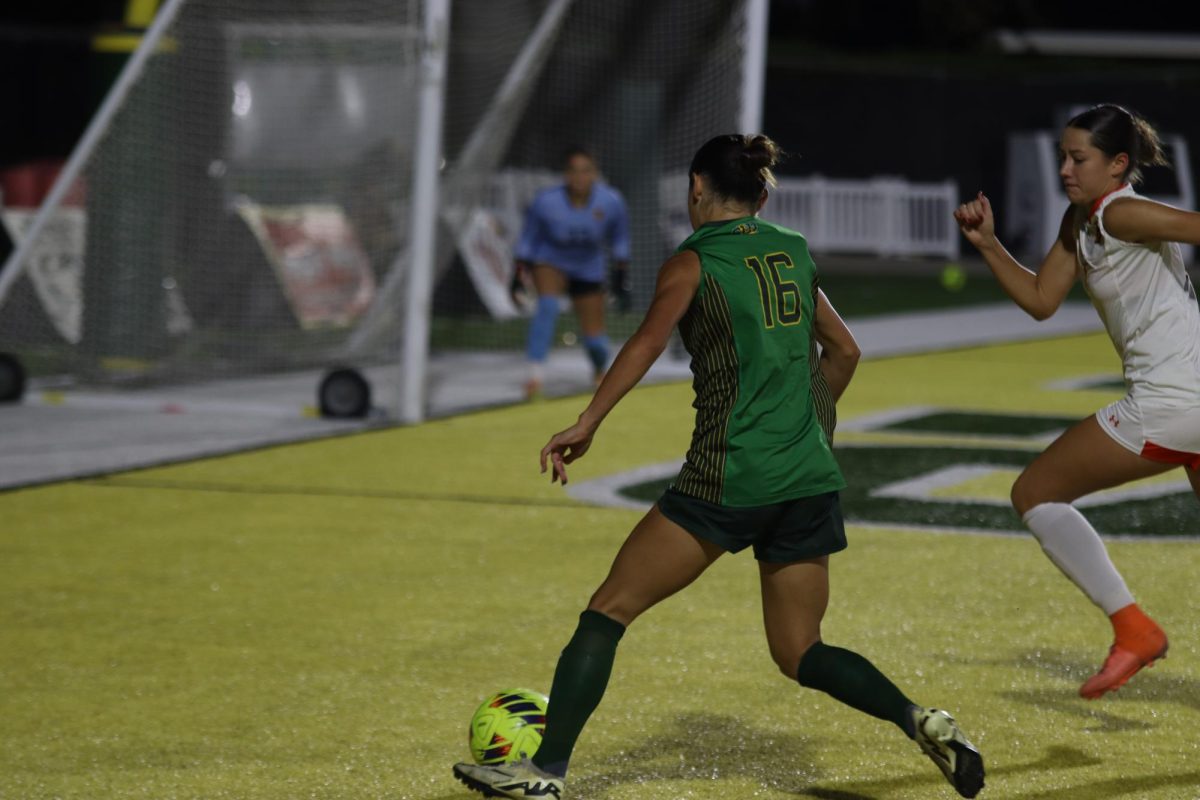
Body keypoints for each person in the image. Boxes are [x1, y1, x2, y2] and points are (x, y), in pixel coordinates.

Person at [455, 134, 985, 799]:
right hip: (809, 479)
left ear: (697, 189)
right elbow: (844, 353)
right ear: (762, 195)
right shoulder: (793, 251)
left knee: (607, 612)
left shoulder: (693, 262)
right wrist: (807, 428)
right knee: (801, 651)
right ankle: (921, 719)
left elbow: (647, 343)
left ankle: (542, 774)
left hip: (727, 477)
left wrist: (587, 422)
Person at [953, 103, 1200, 699]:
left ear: (1118, 164)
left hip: (1173, 399)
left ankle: (1133, 629)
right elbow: (1041, 299)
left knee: (1034, 493)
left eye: (1078, 158)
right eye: (1064, 155)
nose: (1065, 167)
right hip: (1191, 395)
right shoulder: (1081, 220)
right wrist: (988, 244)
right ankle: (1133, 631)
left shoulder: (1121, 212)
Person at [511, 147, 632, 400]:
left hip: (588, 265)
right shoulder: (546, 202)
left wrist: (621, 276)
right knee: (547, 306)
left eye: (586, 171)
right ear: (566, 175)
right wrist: (518, 275)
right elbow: (528, 239)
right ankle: (535, 376)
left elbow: (620, 239)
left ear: (595, 173)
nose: (580, 177)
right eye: (574, 171)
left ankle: (599, 369)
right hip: (551, 260)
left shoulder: (611, 202)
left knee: (595, 339)